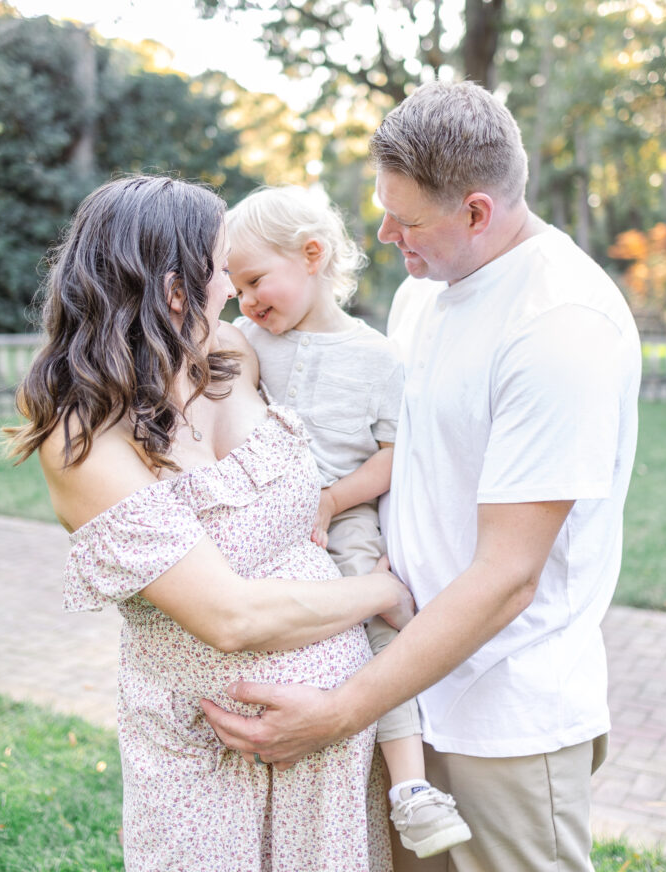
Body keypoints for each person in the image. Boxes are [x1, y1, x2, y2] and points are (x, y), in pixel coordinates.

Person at [200, 81, 642, 872]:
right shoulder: (421, 296)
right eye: (382, 207)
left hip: (502, 720)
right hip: (406, 695)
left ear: (477, 211)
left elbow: (509, 576)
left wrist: (338, 712)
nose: (381, 233)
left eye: (405, 221)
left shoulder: (559, 327)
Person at [4, 174, 417, 872]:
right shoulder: (85, 442)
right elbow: (228, 617)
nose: (233, 288)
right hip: (203, 762)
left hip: (334, 757)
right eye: (220, 270)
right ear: (173, 291)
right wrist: (381, 593)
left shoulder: (229, 355)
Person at [225, 185, 471, 860]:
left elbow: (396, 454)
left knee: (378, 625)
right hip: (259, 510)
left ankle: (411, 789)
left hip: (344, 515)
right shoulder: (243, 340)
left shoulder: (377, 357)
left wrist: (331, 501)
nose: (245, 301)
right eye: (235, 288)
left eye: (253, 281)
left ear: (311, 256)